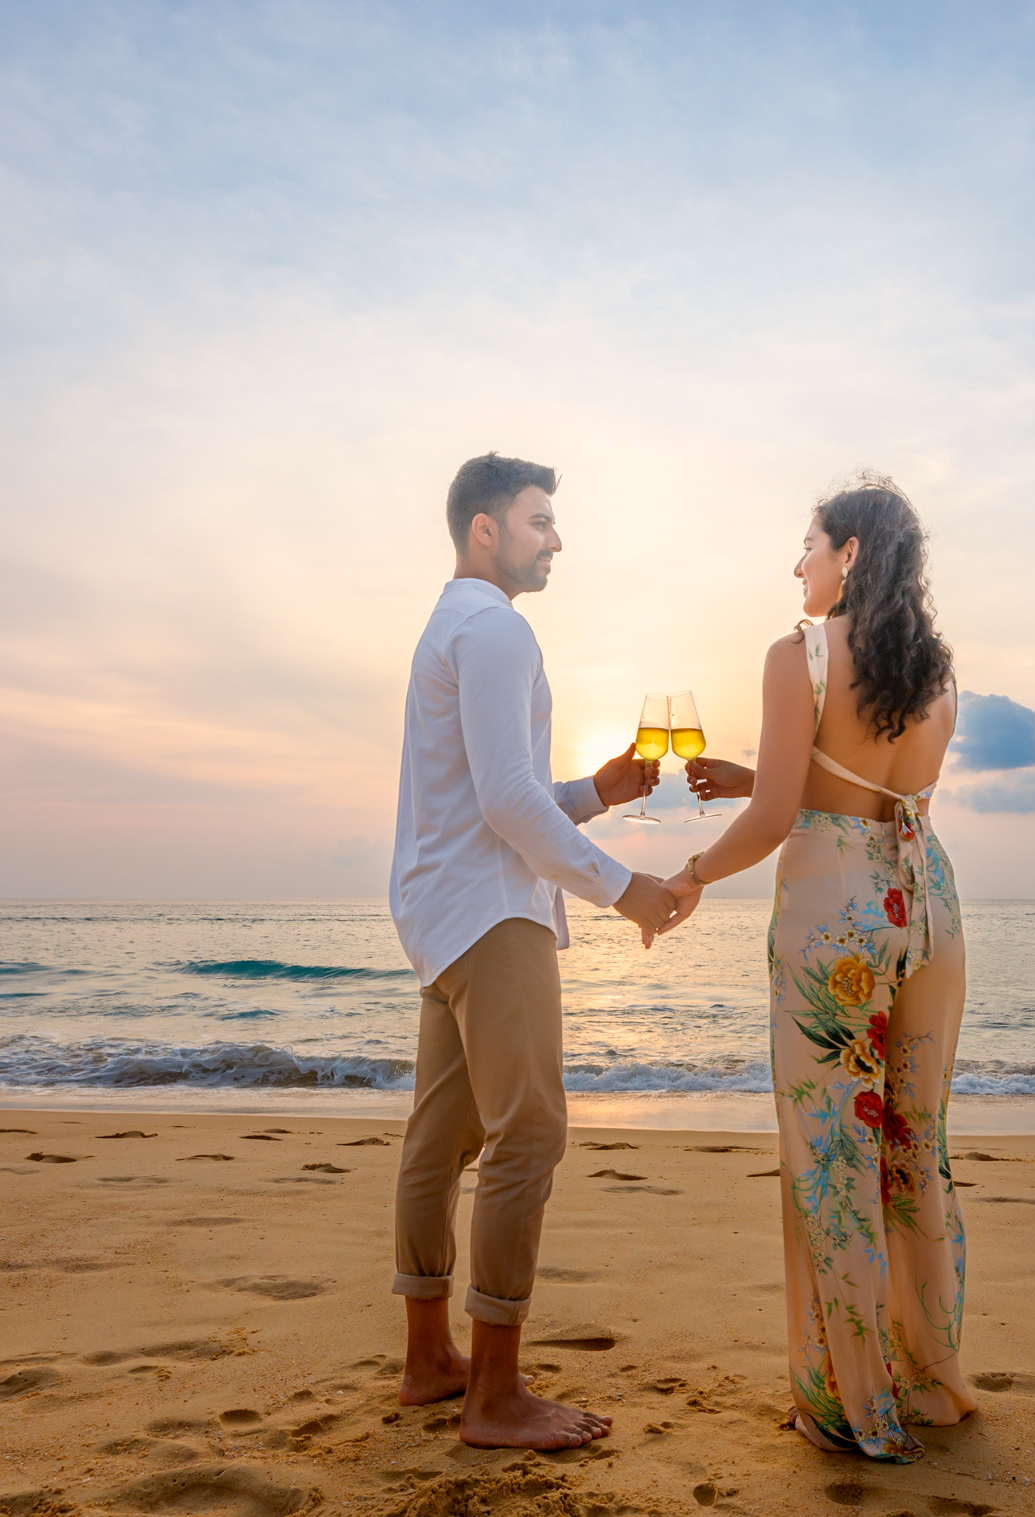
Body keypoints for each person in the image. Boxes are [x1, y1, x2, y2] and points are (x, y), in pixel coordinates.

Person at [656, 473, 975, 1461]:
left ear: (850, 555)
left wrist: (691, 872)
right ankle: (929, 1382)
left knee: (834, 1161)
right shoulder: (937, 672)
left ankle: (847, 1402)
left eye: (809, 542)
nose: (797, 562)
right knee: (916, 1151)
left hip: (837, 910)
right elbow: (873, 785)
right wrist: (765, 777)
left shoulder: (797, 654)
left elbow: (780, 819)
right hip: (927, 903)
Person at [387, 451, 676, 1450]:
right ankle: (496, 1394)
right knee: (532, 1134)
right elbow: (508, 805)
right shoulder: (498, 628)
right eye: (540, 520)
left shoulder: (449, 626)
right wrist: (624, 886)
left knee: (442, 1136)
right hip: (492, 914)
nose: (556, 538)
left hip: (443, 911)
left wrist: (596, 793)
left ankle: (431, 1358)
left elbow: (491, 798)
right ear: (486, 530)